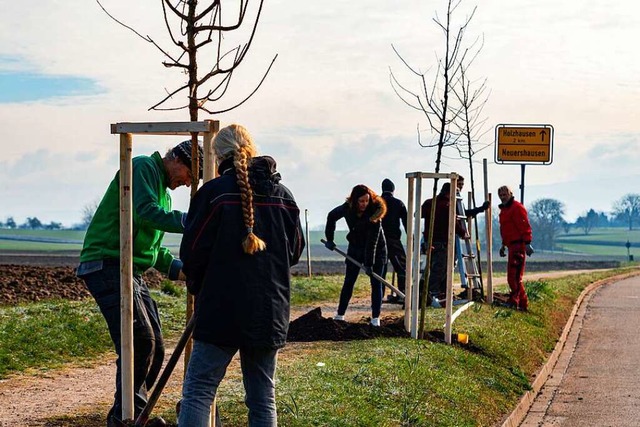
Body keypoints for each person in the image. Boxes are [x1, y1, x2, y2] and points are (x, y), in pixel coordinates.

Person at [178, 124, 304, 427]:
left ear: (217, 156)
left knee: (199, 390)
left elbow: (192, 253)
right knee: (263, 398)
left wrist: (199, 288)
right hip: (268, 311)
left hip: (221, 308)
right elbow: (294, 252)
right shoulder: (283, 196)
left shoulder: (213, 194)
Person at [77, 140, 203, 427]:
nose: (187, 184)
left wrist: (188, 272)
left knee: (155, 345)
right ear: (177, 160)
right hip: (106, 262)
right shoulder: (144, 166)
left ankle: (133, 414)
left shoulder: (166, 197)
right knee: (139, 340)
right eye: (189, 176)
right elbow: (145, 210)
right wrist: (195, 220)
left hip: (130, 268)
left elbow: (154, 252)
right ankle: (127, 417)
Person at [324, 184, 387, 326]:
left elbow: (372, 243)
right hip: (355, 247)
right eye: (361, 201)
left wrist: (369, 264)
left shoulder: (375, 213)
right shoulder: (347, 208)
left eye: (366, 201)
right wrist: (330, 239)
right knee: (349, 281)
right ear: (354, 200)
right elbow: (331, 216)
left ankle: (375, 319)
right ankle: (340, 315)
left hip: (377, 251)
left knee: (376, 283)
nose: (364, 204)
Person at [421, 182, 468, 301]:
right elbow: (453, 223)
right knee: (441, 268)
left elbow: (418, 214)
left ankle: (439, 292)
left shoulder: (428, 203)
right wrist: (463, 233)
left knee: (434, 267)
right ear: (450, 193)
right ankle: (433, 294)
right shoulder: (448, 206)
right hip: (442, 242)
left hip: (429, 241)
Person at [497, 185, 534, 311]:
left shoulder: (517, 208)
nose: (502, 197)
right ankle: (520, 303)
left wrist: (528, 242)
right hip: (511, 246)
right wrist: (503, 245)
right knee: (513, 276)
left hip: (518, 245)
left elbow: (524, 225)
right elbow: (505, 230)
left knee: (514, 276)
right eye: (501, 195)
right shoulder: (504, 210)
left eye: (505, 195)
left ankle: (516, 302)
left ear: (511, 194)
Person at [380, 178, 408, 304]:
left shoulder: (376, 203)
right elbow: (407, 223)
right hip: (393, 240)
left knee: (380, 268)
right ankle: (402, 294)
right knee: (402, 268)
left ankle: (378, 296)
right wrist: (411, 239)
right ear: (393, 190)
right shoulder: (398, 203)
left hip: (378, 241)